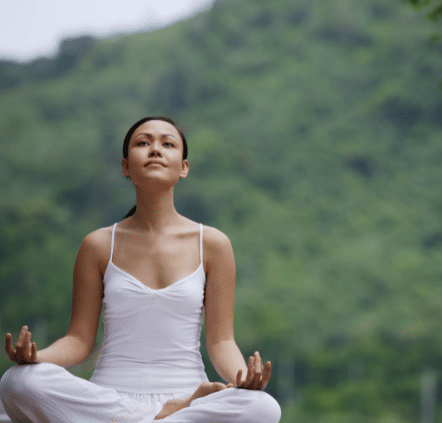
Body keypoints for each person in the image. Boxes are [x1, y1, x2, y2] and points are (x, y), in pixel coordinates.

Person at [0, 116, 282, 422]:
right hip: (110, 398)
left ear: (183, 167)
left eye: (168, 144)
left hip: (190, 395)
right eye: (143, 142)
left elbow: (221, 342)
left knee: (263, 407)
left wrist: (244, 380)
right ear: (125, 166)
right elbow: (79, 340)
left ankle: (162, 415)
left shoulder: (212, 244)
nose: (155, 150)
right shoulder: (97, 245)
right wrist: (37, 359)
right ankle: (154, 417)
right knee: (18, 382)